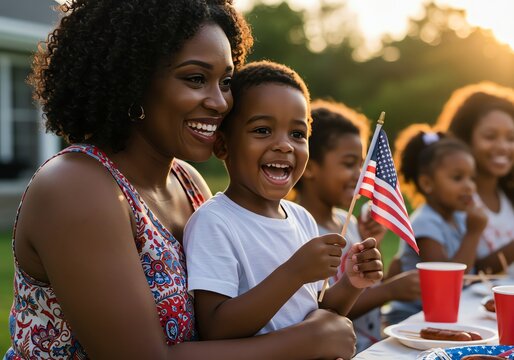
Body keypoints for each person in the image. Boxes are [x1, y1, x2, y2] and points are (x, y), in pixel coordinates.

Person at [5, 1, 357, 359]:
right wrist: (304, 342)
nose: (220, 102)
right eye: (195, 79)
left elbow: (222, 327)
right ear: (134, 80)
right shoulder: (75, 188)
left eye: (226, 82)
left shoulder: (188, 183)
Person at [183, 61, 383, 351]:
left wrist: (352, 283)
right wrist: (294, 273)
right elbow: (215, 327)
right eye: (263, 130)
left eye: (298, 134)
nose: (285, 145)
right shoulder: (214, 222)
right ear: (223, 146)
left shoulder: (301, 218)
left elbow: (315, 313)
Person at [295, 99, 420, 352]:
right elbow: (317, 309)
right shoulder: (299, 229)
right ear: (309, 166)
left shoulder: (346, 220)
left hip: (372, 344)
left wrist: (375, 244)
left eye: (362, 163)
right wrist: (390, 291)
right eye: (349, 163)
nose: (361, 174)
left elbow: (367, 280)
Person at [385, 124, 488, 324]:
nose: (469, 186)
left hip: (446, 312)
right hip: (413, 317)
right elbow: (445, 283)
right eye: (458, 178)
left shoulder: (459, 217)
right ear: (427, 184)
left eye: (472, 178)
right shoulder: (425, 222)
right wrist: (473, 234)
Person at [435, 82, 514, 273]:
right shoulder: (453, 201)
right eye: (490, 136)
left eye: (511, 138)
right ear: (465, 140)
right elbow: (470, 273)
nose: (503, 147)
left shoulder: (509, 196)